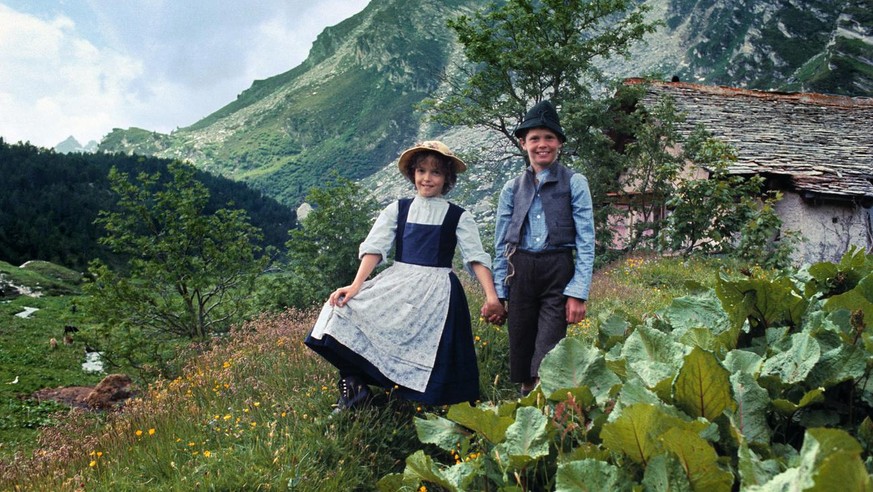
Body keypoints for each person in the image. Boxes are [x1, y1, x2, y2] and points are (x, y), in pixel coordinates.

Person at [305, 141, 506, 412]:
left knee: (437, 346)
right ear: (412, 173)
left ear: (447, 178)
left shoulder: (458, 216)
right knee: (340, 311)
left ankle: (443, 407)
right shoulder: (398, 209)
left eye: (435, 172)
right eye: (421, 170)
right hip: (399, 281)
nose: (427, 178)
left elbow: (476, 258)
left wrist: (491, 296)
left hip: (437, 290)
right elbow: (375, 248)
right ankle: (355, 389)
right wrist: (356, 285)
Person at [492, 100, 595, 396]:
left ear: (559, 143)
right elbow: (501, 243)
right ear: (523, 143)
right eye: (534, 138)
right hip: (520, 272)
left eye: (549, 137)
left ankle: (547, 406)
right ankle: (528, 406)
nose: (542, 145)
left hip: (557, 272)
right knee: (522, 350)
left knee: (549, 350)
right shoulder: (512, 188)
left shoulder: (575, 183)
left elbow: (586, 241)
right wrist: (500, 293)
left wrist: (578, 292)